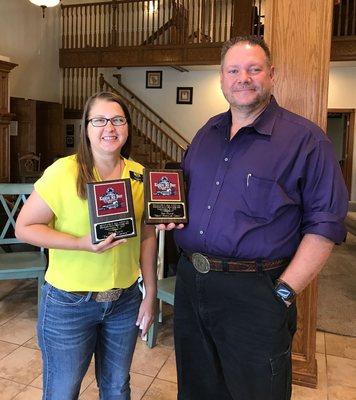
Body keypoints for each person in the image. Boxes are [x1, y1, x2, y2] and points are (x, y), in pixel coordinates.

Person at [157, 35, 349, 400]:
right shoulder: (206, 133)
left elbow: (325, 226)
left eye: (253, 68)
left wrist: (282, 292)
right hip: (191, 284)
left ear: (271, 74)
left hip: (256, 292)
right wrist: (172, 216)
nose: (242, 77)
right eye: (233, 70)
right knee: (197, 388)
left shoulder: (307, 141)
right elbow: (187, 196)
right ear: (221, 78)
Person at [15, 92, 157, 400]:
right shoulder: (62, 172)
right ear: (86, 128)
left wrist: (150, 296)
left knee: (117, 388)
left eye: (118, 119)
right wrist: (81, 243)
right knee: (62, 392)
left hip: (124, 300)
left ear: (128, 127)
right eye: (99, 121)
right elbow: (24, 227)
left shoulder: (140, 175)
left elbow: (147, 236)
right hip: (69, 304)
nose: (110, 127)